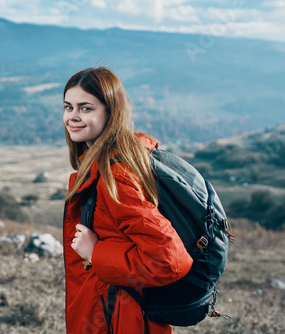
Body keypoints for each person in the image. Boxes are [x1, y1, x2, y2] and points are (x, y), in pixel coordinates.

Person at [62, 67, 193, 334]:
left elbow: (169, 260)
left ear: (111, 113)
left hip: (124, 321)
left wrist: (95, 253)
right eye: (68, 107)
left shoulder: (117, 177)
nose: (73, 117)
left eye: (86, 108)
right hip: (111, 314)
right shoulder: (104, 166)